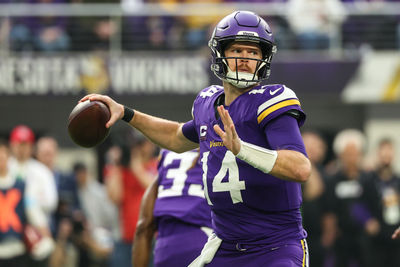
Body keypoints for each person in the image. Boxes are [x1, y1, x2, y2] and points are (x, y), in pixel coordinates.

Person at [81, 10, 311, 267]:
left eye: (253, 52)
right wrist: (126, 113)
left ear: (264, 58)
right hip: (226, 248)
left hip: (274, 247)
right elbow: (176, 137)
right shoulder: (208, 103)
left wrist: (242, 149)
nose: (246, 58)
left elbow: (300, 168)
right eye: (238, 51)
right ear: (221, 54)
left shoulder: (271, 101)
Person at [132, 149, 212, 267]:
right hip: (204, 240)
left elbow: (144, 225)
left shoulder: (169, 153)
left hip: (165, 248)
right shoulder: (219, 146)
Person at [104, 134, 158, 267]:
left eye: (142, 144)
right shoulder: (118, 170)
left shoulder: (156, 164)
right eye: (136, 146)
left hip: (151, 237)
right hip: (125, 239)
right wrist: (115, 164)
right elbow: (115, 197)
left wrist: (136, 165)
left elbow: (155, 189)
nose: (140, 149)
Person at [0, 139, 54, 266]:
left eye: (2, 156)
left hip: (18, 248)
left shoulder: (21, 185)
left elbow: (32, 210)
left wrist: (46, 236)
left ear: (8, 157)